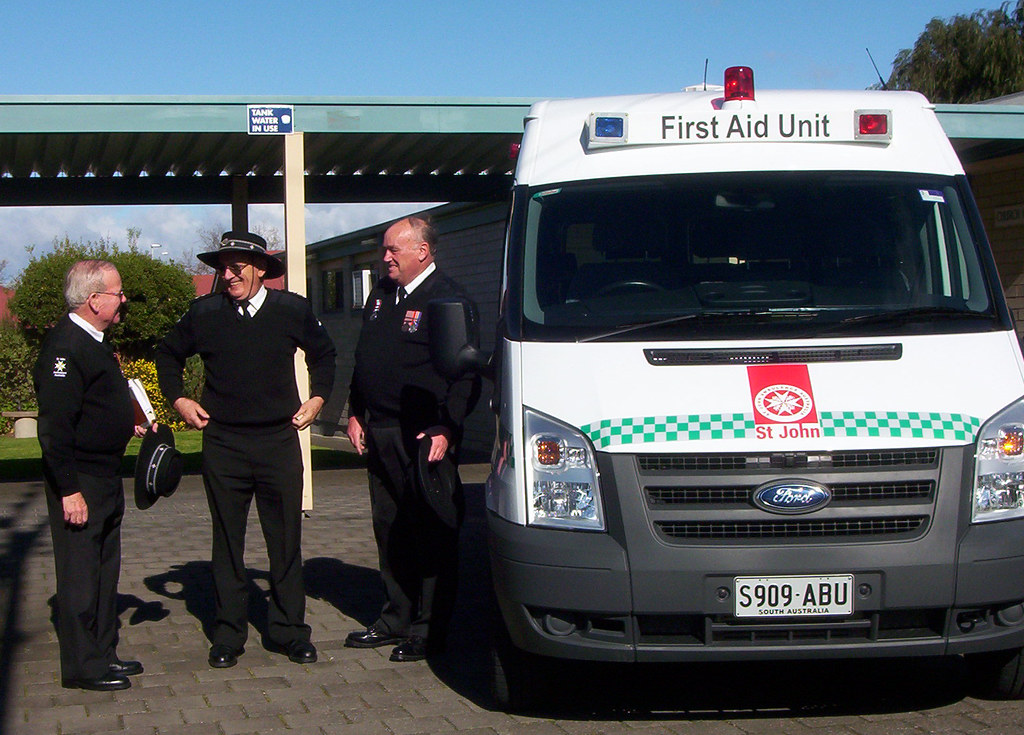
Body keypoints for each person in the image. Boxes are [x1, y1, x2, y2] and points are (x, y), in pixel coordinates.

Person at [155, 231, 336, 668]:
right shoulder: (205, 313)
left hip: (277, 441)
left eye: (237, 266)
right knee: (227, 542)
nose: (228, 274)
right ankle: (228, 633)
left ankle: (290, 631)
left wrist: (317, 398)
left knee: (285, 539)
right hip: (224, 444)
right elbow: (167, 354)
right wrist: (180, 400)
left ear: (260, 269)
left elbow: (325, 354)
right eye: (223, 266)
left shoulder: (291, 309)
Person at [345, 216, 480, 662]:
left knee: (431, 532)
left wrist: (447, 426)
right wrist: (356, 412)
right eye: (384, 250)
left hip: (424, 438)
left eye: (392, 250)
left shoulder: (450, 300)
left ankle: (430, 628)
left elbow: (466, 376)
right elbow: (365, 357)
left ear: (422, 251)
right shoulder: (382, 295)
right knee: (390, 529)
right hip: (380, 430)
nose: (385, 258)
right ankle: (395, 617)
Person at [34, 260, 147, 691]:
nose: (123, 301)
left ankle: (103, 652)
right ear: (93, 299)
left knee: (104, 568)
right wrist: (69, 490)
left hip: (104, 474)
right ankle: (83, 666)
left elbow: (97, 404)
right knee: (81, 574)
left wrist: (127, 422)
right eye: (118, 293)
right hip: (80, 479)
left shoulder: (94, 341)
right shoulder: (65, 347)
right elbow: (55, 428)